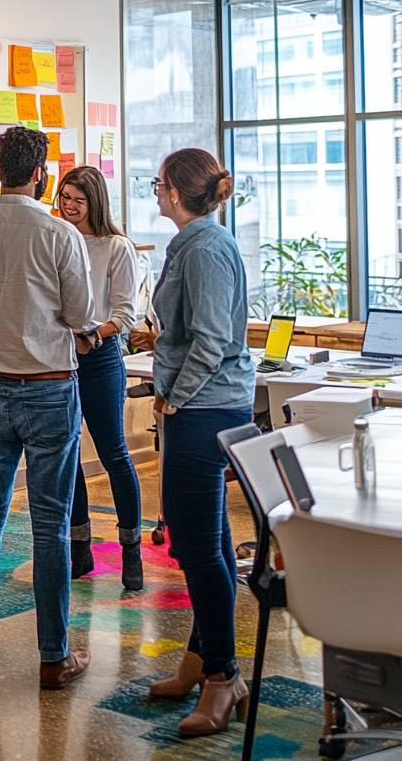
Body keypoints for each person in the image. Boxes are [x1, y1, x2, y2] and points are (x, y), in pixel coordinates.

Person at [0, 126, 95, 690]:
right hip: (51, 387)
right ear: (41, 173)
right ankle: (54, 657)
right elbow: (79, 314)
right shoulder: (60, 234)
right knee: (50, 525)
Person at [128, 147, 254, 737]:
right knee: (211, 541)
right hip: (200, 402)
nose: (155, 191)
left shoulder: (205, 249)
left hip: (205, 408)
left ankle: (224, 676)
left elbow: (212, 338)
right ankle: (202, 660)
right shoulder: (194, 242)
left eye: (158, 183)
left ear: (177, 192)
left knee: (199, 548)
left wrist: (174, 394)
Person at [55, 166, 143, 591]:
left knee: (114, 455)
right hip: (59, 359)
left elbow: (127, 315)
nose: (68, 206)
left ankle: (131, 549)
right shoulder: (55, 238)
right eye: (64, 197)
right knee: (68, 457)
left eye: (78, 199)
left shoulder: (115, 247)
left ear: (95, 202)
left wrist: (91, 333)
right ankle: (80, 547)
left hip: (102, 357)